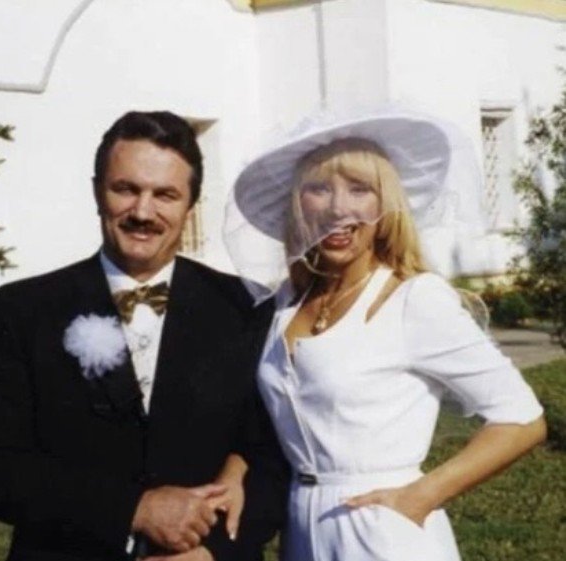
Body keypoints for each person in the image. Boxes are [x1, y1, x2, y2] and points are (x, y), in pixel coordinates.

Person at [223, 108, 547, 561]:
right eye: (320, 188)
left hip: (382, 532)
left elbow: (522, 418)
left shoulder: (414, 299)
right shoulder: (286, 303)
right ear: (298, 202)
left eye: (360, 189)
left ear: (385, 205)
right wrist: (236, 470)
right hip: (301, 531)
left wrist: (421, 496)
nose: (338, 208)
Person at [0, 110, 288, 561]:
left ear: (191, 204)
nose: (142, 212)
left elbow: (274, 456)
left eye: (165, 195)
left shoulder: (245, 308)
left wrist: (212, 553)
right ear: (97, 191)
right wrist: (135, 509)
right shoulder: (23, 311)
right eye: (126, 189)